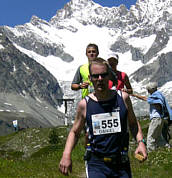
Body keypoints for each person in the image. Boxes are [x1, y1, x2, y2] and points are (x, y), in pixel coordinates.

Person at [59, 58, 147, 178]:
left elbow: (133, 124)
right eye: (96, 76)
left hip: (121, 163)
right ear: (90, 79)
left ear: (109, 76)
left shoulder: (123, 98)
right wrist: (66, 154)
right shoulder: (84, 105)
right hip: (96, 164)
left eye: (103, 75)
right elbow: (75, 132)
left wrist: (141, 143)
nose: (100, 79)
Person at [131, 82, 172, 152]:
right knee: (159, 138)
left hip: (156, 118)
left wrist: (158, 107)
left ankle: (151, 153)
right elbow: (146, 98)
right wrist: (135, 95)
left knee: (150, 138)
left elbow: (157, 103)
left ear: (152, 89)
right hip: (160, 119)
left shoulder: (156, 96)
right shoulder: (158, 95)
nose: (148, 91)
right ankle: (169, 149)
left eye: (148, 90)